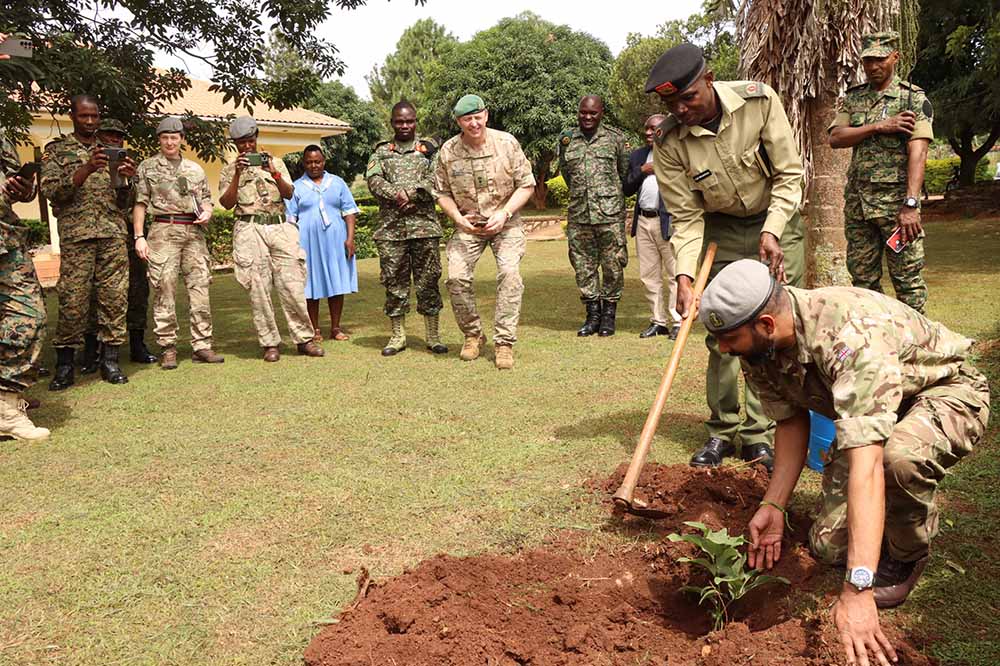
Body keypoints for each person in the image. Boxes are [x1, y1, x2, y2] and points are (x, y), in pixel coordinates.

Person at [699, 258, 989, 666]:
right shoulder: (760, 348)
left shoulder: (850, 334)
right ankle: (882, 525)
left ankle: (907, 554)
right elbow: (790, 419)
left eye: (729, 339)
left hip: (942, 394)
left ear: (765, 324)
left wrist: (858, 589)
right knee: (828, 548)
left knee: (896, 459)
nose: (724, 350)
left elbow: (868, 462)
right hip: (870, 415)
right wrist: (774, 505)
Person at [646, 43, 806, 471]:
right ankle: (721, 431)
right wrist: (683, 276)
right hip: (718, 229)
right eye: (670, 103)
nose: (681, 109)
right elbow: (685, 217)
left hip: (777, 219)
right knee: (722, 330)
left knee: (771, 331)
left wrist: (772, 229)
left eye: (688, 97)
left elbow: (790, 175)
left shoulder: (759, 101)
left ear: (709, 79)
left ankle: (760, 434)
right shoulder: (668, 141)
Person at [829, 31, 933, 314]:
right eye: (868, 61)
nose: (873, 66)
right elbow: (836, 137)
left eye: (880, 59)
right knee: (863, 284)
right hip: (859, 209)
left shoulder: (912, 99)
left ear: (894, 57)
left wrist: (911, 203)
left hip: (897, 212)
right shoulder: (853, 99)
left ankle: (918, 348)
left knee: (908, 282)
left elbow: (919, 151)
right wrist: (878, 126)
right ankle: (877, 344)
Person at [433, 94, 535, 370]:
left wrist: (504, 213)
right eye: (468, 119)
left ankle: (504, 343)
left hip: (505, 221)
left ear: (486, 115)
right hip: (469, 223)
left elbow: (526, 185)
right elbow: (441, 192)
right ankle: (473, 334)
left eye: (478, 117)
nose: (474, 123)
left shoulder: (507, 143)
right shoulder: (448, 151)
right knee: (455, 277)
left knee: (511, 275)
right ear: (459, 121)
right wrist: (456, 217)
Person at [41, 95, 132, 389]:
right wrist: (86, 169)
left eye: (94, 116)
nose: (90, 122)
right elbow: (52, 191)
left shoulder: (111, 151)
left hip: (112, 233)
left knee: (114, 298)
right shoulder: (57, 150)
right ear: (73, 116)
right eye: (84, 116)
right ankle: (65, 365)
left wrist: (126, 181)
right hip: (77, 235)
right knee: (73, 300)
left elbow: (124, 202)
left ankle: (110, 361)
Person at [218, 117, 323, 362]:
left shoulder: (275, 162)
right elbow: (226, 203)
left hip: (279, 227)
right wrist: (236, 173)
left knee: (293, 284)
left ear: (256, 139)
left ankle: (304, 339)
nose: (247, 147)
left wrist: (274, 173)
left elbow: (289, 193)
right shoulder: (229, 168)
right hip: (249, 228)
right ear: (235, 144)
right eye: (241, 143)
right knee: (259, 288)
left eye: (250, 141)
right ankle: (269, 343)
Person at [133, 116, 224, 369]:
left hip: (193, 234)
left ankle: (202, 345)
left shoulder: (195, 170)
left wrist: (208, 212)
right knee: (164, 288)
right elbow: (140, 203)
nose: (170, 142)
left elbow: (206, 199)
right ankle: (168, 347)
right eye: (165, 138)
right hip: (163, 231)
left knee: (200, 288)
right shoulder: (147, 167)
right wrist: (139, 236)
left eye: (174, 137)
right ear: (159, 140)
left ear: (182, 140)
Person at [366, 101, 447, 357]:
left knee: (428, 281)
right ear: (392, 123)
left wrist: (411, 194)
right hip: (391, 230)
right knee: (394, 283)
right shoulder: (381, 151)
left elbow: (437, 178)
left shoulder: (429, 151)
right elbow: (373, 180)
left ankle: (432, 336)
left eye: (409, 121)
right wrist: (396, 194)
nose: (404, 126)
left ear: (415, 121)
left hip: (424, 227)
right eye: (399, 122)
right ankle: (398, 336)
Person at [79, 119, 157, 374]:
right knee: (94, 293)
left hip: (128, 236)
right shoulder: (87, 162)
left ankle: (137, 344)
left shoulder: (129, 165)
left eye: (118, 137)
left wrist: (130, 178)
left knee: (137, 290)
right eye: (109, 136)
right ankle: (92, 350)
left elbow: (139, 201)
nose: (114, 141)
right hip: (97, 236)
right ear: (100, 137)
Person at [557, 95, 629, 337]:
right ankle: (592, 315)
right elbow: (567, 173)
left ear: (601, 113)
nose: (587, 117)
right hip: (579, 215)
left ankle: (608, 316)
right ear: (578, 112)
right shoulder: (567, 140)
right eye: (583, 113)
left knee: (613, 266)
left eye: (593, 113)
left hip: (609, 215)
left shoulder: (615, 139)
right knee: (582, 266)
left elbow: (623, 173)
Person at [0, 123, 49, 441]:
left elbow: (22, 188)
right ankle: (4, 409)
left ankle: (5, 398)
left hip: (6, 232)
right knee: (25, 316)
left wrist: (23, 187)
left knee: (31, 315)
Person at [285, 145, 358, 341]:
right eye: (309, 162)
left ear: (324, 161)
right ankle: (314, 328)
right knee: (311, 286)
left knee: (336, 284)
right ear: (304, 163)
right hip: (307, 243)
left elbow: (349, 211)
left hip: (335, 241)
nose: (313, 165)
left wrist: (350, 239)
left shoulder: (337, 182)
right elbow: (290, 219)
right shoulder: (296, 187)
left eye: (317, 161)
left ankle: (336, 328)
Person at [622, 113, 680, 340]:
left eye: (652, 128)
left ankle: (677, 321)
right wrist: (642, 171)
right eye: (645, 128)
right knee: (649, 274)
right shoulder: (638, 156)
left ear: (664, 129)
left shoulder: (677, 151)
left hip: (669, 221)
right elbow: (626, 187)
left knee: (675, 273)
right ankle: (658, 321)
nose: (647, 132)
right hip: (644, 221)